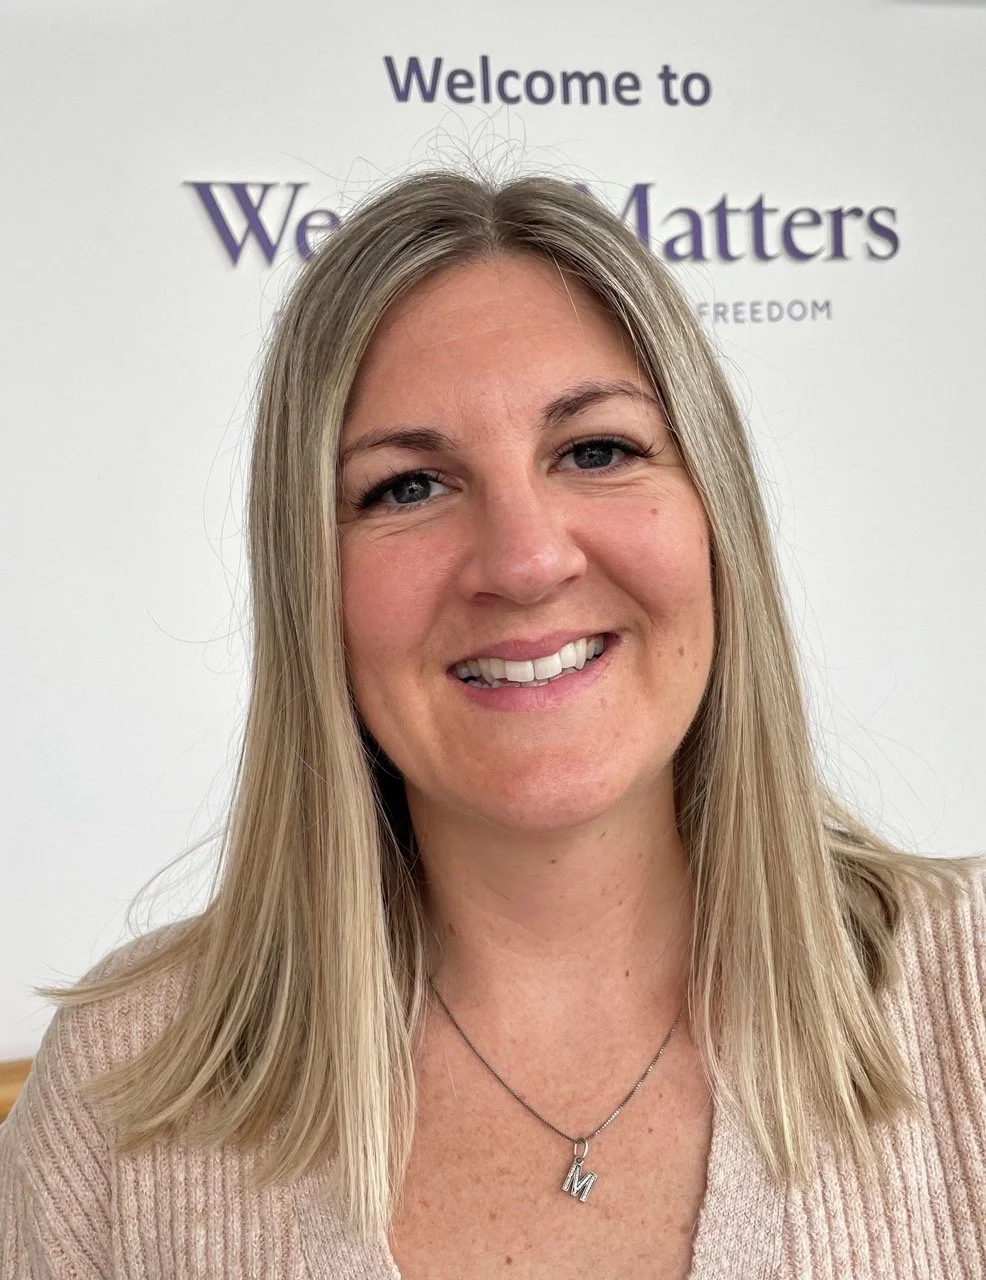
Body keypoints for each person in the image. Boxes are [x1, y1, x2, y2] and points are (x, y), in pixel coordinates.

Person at [1, 170, 984, 1280]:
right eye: (409, 485)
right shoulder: (118, 1097)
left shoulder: (971, 993)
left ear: (716, 513)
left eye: (596, 451)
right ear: (307, 582)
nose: (523, 560)